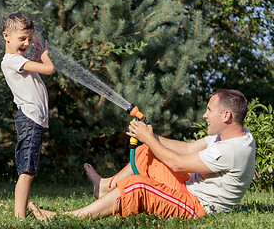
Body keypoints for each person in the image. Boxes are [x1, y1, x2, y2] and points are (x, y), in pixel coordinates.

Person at [29, 89, 255, 220]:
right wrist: (149, 136)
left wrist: (148, 137)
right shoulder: (231, 135)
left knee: (139, 186)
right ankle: (107, 187)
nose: (204, 115)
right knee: (147, 150)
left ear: (226, 116)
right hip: (188, 188)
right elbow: (186, 148)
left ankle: (68, 217)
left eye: (209, 110)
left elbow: (177, 164)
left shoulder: (232, 150)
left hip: (198, 206)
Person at [1, 12, 55, 219]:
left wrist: (36, 56)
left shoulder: (18, 61)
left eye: (30, 39)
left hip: (32, 119)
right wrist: (44, 54)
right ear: (7, 36)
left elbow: (34, 72)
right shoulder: (11, 60)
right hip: (29, 119)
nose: (27, 43)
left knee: (28, 169)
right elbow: (48, 69)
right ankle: (19, 217)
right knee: (27, 171)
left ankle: (19, 215)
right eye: (22, 38)